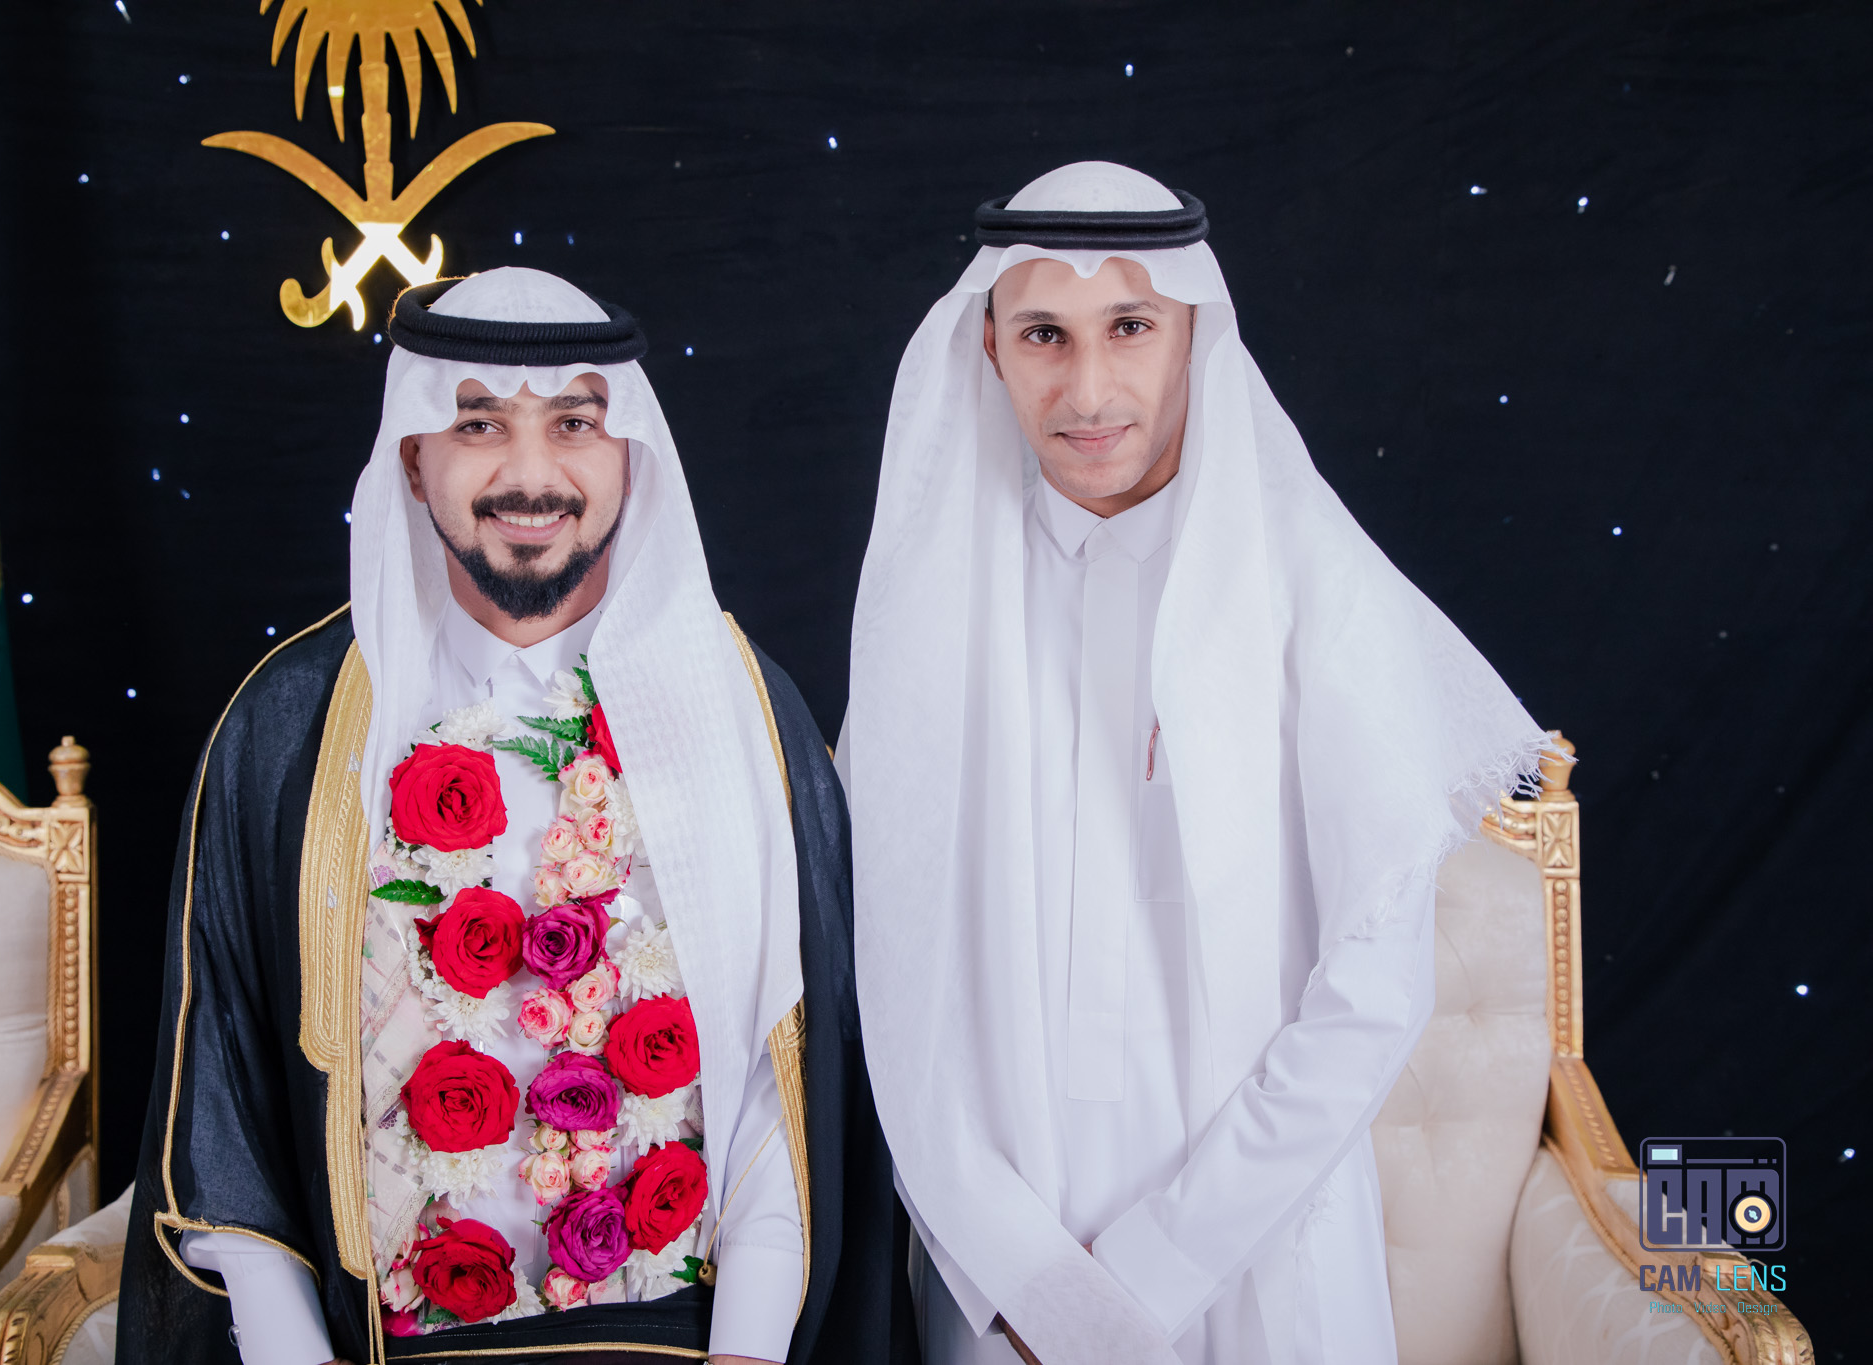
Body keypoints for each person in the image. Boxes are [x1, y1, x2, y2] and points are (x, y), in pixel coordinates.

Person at [119, 267, 910, 1365]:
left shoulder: (738, 713)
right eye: (477, 424)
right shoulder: (294, 725)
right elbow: (224, 1092)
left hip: (681, 1346)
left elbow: (792, 1079)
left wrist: (746, 1351)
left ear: (629, 453)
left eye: (575, 424)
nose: (530, 475)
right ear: (413, 456)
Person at [839, 161, 1551, 1364]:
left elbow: (1370, 992)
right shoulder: (926, 615)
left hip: (1260, 1255)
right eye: (1044, 335)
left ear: (1193, 334)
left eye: (1128, 327)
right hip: (1003, 1284)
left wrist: (1153, 1268)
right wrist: (1027, 1281)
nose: (1086, 389)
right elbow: (893, 988)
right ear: (989, 349)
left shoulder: (1312, 598)